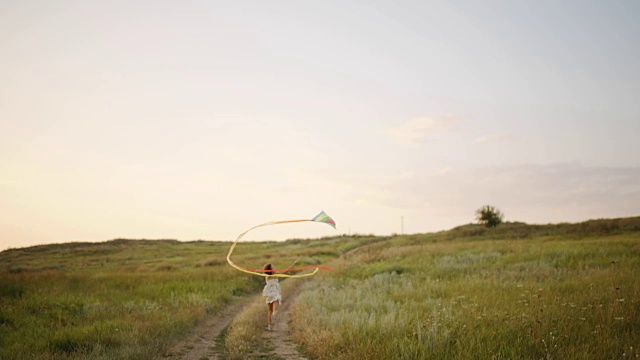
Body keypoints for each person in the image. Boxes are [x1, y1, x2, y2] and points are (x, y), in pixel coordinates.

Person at [262, 258, 298, 331]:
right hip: (274, 292)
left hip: (269, 293)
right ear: (270, 270)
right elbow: (286, 271)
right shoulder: (273, 275)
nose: (275, 267)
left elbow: (285, 271)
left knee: (269, 309)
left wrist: (293, 265)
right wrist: (293, 265)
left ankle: (270, 325)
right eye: (273, 267)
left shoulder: (269, 276)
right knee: (276, 306)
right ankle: (274, 315)